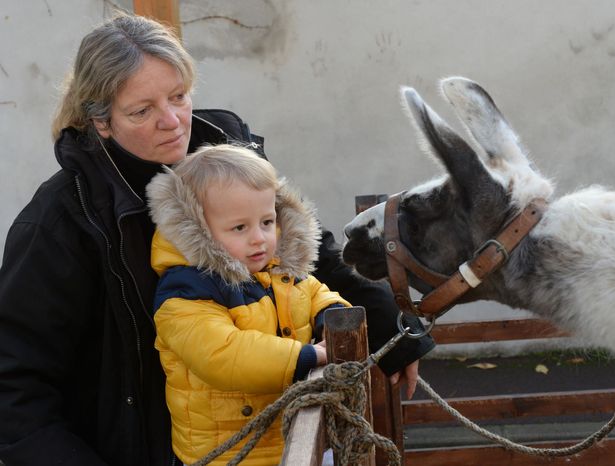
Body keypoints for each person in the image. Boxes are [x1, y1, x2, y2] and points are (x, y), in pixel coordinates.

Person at [0, 13, 434, 466]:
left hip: (270, 437)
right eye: (142, 111)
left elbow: (305, 254)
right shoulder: (61, 222)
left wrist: (391, 327)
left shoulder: (228, 154)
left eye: (179, 96)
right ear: (102, 121)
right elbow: (14, 388)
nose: (171, 122)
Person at [147, 144, 349, 464]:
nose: (259, 238)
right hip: (230, 454)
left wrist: (331, 313)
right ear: (197, 230)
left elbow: (311, 291)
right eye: (240, 227)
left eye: (267, 222)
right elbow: (224, 354)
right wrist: (308, 355)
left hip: (292, 435)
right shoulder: (186, 292)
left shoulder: (276, 269)